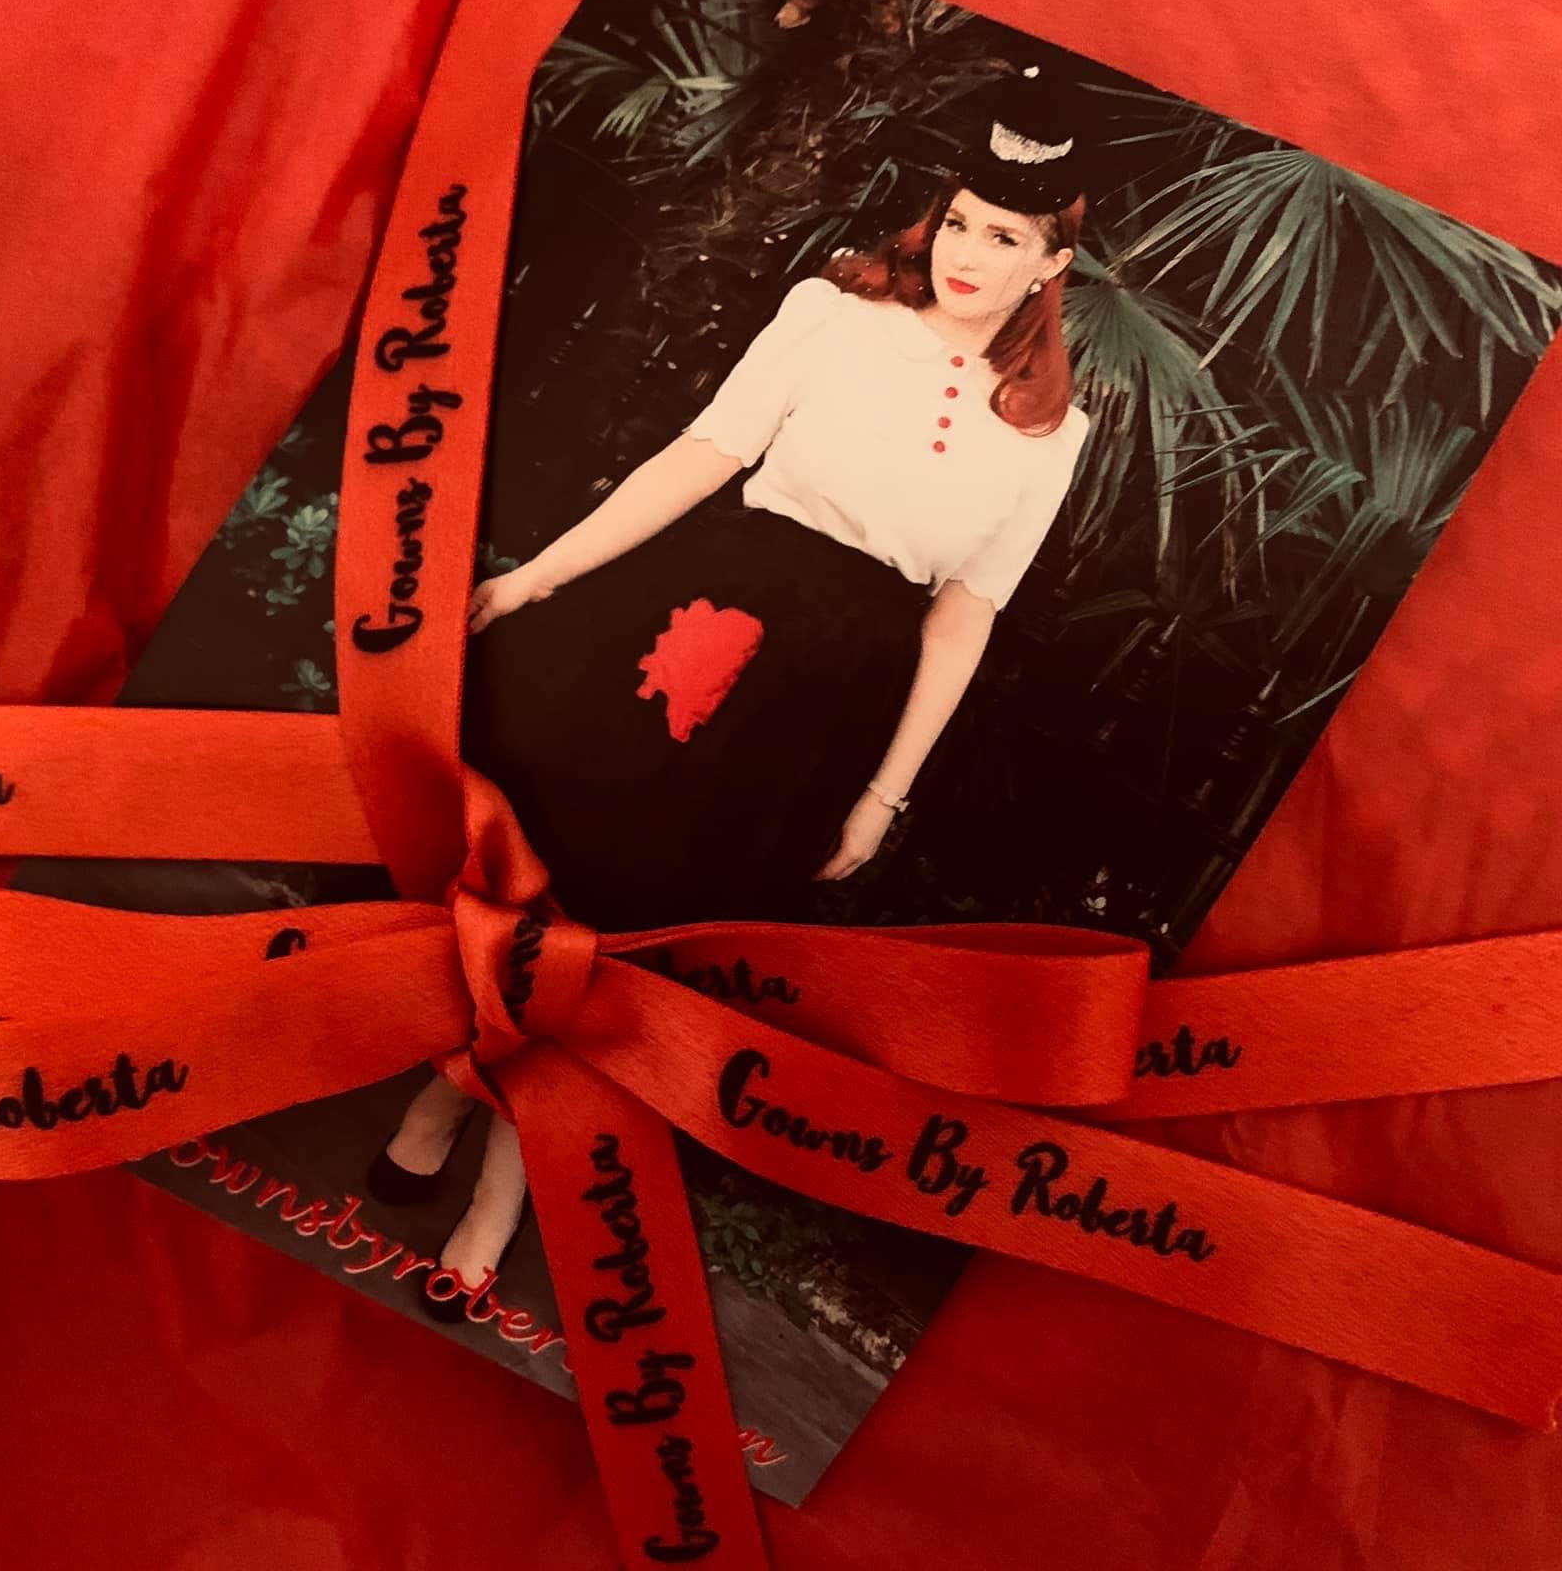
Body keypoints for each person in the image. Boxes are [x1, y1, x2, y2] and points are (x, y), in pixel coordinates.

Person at [371, 66, 1096, 1321]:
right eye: (961, 222)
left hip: (821, 711)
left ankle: (493, 1198)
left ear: (1049, 265)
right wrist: (539, 576)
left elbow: (963, 615)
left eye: (1004, 239)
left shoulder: (1051, 429)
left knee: (629, 954)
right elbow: (702, 456)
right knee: (553, 903)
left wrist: (882, 794)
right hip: (701, 634)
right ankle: (447, 1089)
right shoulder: (833, 316)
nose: (968, 255)